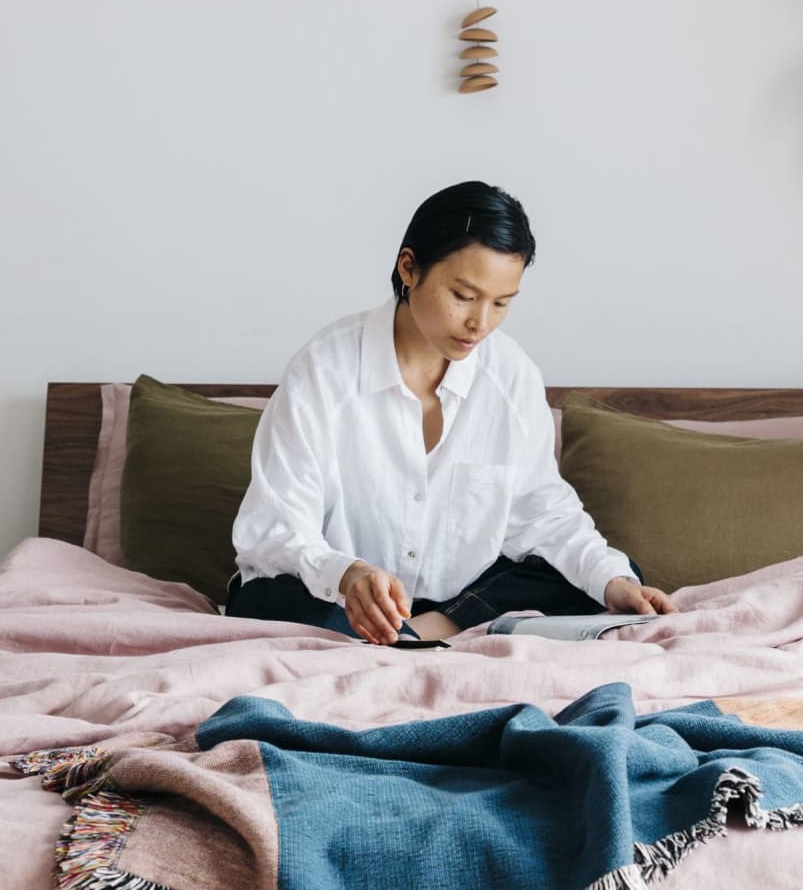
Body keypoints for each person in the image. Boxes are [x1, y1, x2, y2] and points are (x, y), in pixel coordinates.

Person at [227, 180, 676, 645]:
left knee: (613, 578)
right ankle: (400, 630)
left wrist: (612, 579)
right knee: (266, 603)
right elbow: (275, 530)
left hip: (459, 593)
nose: (480, 323)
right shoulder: (323, 371)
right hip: (335, 596)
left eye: (501, 303)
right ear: (409, 268)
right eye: (463, 295)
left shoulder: (511, 376)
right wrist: (348, 574)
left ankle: (425, 630)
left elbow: (543, 513)